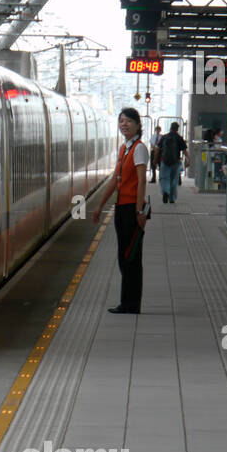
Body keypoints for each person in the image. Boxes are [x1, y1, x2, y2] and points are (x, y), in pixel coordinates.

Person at [92, 107, 148, 314]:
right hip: (121, 207)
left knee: (131, 257)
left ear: (138, 125)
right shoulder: (124, 148)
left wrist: (139, 210)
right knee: (124, 256)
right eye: (121, 121)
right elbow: (115, 181)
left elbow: (142, 180)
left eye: (129, 121)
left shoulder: (139, 149)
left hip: (131, 210)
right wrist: (99, 206)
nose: (124, 125)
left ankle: (131, 304)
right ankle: (127, 302)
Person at [158, 122, 187, 204]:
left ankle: (165, 191)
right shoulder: (179, 138)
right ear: (177, 129)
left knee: (164, 178)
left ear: (170, 128)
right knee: (174, 180)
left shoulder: (164, 137)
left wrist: (155, 159)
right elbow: (184, 150)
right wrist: (188, 159)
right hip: (176, 161)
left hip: (165, 161)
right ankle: (172, 198)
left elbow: (157, 148)